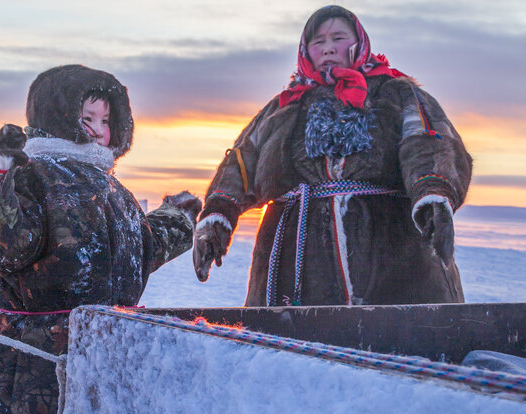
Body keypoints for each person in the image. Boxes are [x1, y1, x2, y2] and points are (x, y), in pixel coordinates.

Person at [0, 64, 201, 414]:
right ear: (56, 116)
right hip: (32, 361)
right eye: (87, 118)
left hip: (106, 355)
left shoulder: (115, 190)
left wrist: (179, 218)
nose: (98, 130)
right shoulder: (33, 178)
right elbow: (1, 238)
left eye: (107, 120)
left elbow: (138, 250)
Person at [194, 5, 471, 307]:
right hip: (296, 258)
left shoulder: (396, 93)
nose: (327, 48)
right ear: (306, 51)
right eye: (318, 42)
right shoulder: (284, 107)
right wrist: (217, 216)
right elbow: (242, 161)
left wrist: (433, 193)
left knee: (402, 335)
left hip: (393, 250)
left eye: (337, 38)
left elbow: (430, 142)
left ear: (358, 43)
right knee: (289, 345)